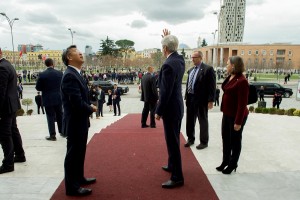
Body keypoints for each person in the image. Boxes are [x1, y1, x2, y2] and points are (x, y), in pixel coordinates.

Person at [61, 45, 97, 196]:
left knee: (80, 151)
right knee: (73, 153)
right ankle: (72, 187)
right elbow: (76, 102)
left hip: (80, 120)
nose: (81, 53)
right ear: (69, 57)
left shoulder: (76, 73)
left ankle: (79, 178)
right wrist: (91, 108)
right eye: (77, 52)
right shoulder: (70, 75)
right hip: (75, 121)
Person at [155, 29, 185, 189]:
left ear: (165, 49)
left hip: (170, 109)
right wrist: (167, 39)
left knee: (172, 142)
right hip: (177, 107)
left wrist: (158, 111)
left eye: (162, 47)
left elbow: (165, 92)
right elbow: (173, 48)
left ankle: (177, 177)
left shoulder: (168, 64)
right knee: (173, 139)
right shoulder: (179, 59)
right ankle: (172, 164)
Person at [216, 56, 249, 175]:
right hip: (227, 114)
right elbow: (225, 88)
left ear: (234, 65)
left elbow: (242, 104)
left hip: (237, 116)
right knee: (225, 139)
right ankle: (225, 161)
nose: (226, 66)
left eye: (227, 64)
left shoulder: (242, 81)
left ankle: (233, 163)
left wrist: (238, 122)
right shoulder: (231, 77)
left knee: (235, 141)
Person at [0, 47, 26, 174]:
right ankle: (20, 155)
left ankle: (8, 164)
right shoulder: (7, 64)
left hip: (5, 107)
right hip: (12, 105)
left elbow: (1, 92)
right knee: (13, 130)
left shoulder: (2, 67)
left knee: (5, 134)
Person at [184, 51, 216, 150]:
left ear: (200, 58)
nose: (192, 59)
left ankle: (204, 142)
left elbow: (212, 86)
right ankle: (190, 139)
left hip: (201, 100)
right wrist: (186, 97)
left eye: (195, 57)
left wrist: (210, 100)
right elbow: (188, 84)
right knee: (189, 120)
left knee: (203, 121)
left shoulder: (208, 69)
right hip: (190, 99)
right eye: (192, 57)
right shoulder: (191, 70)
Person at [36, 58, 64, 140]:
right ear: (53, 64)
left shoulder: (42, 74)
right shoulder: (60, 73)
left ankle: (52, 135)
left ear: (46, 64)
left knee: (50, 116)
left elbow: (38, 88)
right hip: (59, 97)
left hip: (48, 98)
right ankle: (62, 131)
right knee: (60, 115)